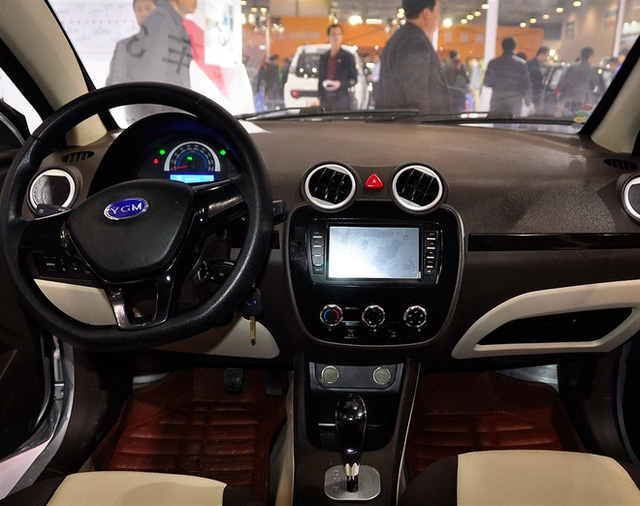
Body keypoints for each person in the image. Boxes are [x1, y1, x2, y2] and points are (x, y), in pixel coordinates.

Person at [375, 0, 451, 115]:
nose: (439, 16)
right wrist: (424, 125)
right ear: (426, 13)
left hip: (396, 123)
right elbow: (416, 99)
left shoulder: (399, 37)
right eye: (438, 11)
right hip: (411, 124)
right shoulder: (415, 42)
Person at [133, 0, 197, 89]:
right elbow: (152, 71)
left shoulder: (177, 24)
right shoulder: (159, 20)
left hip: (176, 94)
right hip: (165, 94)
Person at [105, 0, 157, 86]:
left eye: (147, 8)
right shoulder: (123, 46)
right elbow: (114, 82)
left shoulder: (174, 45)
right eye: (139, 9)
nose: (143, 13)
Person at [483, 36, 532, 117]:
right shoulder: (521, 64)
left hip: (497, 102)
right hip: (514, 103)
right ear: (515, 47)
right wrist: (528, 101)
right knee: (512, 124)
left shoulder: (493, 63)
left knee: (497, 123)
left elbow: (486, 82)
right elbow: (526, 85)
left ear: (502, 46)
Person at [317, 24, 358, 111]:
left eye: (339, 34)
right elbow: (320, 78)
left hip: (341, 98)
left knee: (339, 119)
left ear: (342, 36)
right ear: (328, 37)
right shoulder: (324, 57)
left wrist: (340, 83)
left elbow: (354, 80)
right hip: (326, 98)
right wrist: (319, 96)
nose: (336, 37)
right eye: (334, 34)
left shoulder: (348, 57)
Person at [558, 46, 603, 116]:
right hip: (582, 101)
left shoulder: (571, 68)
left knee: (566, 120)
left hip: (568, 100)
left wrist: (561, 98)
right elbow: (594, 86)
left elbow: (563, 84)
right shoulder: (591, 71)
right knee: (580, 120)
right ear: (590, 57)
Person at [527, 46, 550, 110]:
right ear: (542, 54)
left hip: (533, 91)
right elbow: (536, 78)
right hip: (533, 92)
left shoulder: (536, 63)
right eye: (546, 55)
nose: (547, 58)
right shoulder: (532, 64)